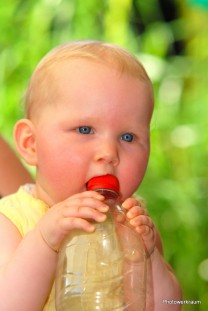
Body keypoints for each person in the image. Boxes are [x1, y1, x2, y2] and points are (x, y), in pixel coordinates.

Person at [0, 40, 182, 310]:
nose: (109, 152)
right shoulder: (13, 220)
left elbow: (169, 306)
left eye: (128, 136)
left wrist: (147, 257)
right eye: (85, 130)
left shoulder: (133, 225)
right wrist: (44, 241)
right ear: (31, 143)